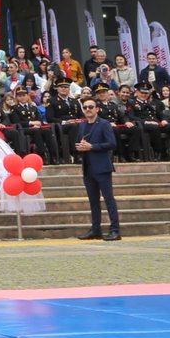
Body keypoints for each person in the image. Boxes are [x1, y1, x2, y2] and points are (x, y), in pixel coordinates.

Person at [74, 95, 121, 240]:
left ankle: (115, 230)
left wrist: (92, 147)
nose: (87, 109)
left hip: (102, 167)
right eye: (85, 107)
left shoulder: (104, 124)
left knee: (108, 199)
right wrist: (80, 147)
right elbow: (79, 142)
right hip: (87, 167)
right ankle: (96, 229)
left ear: (97, 109)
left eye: (90, 107)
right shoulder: (82, 125)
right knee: (93, 201)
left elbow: (112, 144)